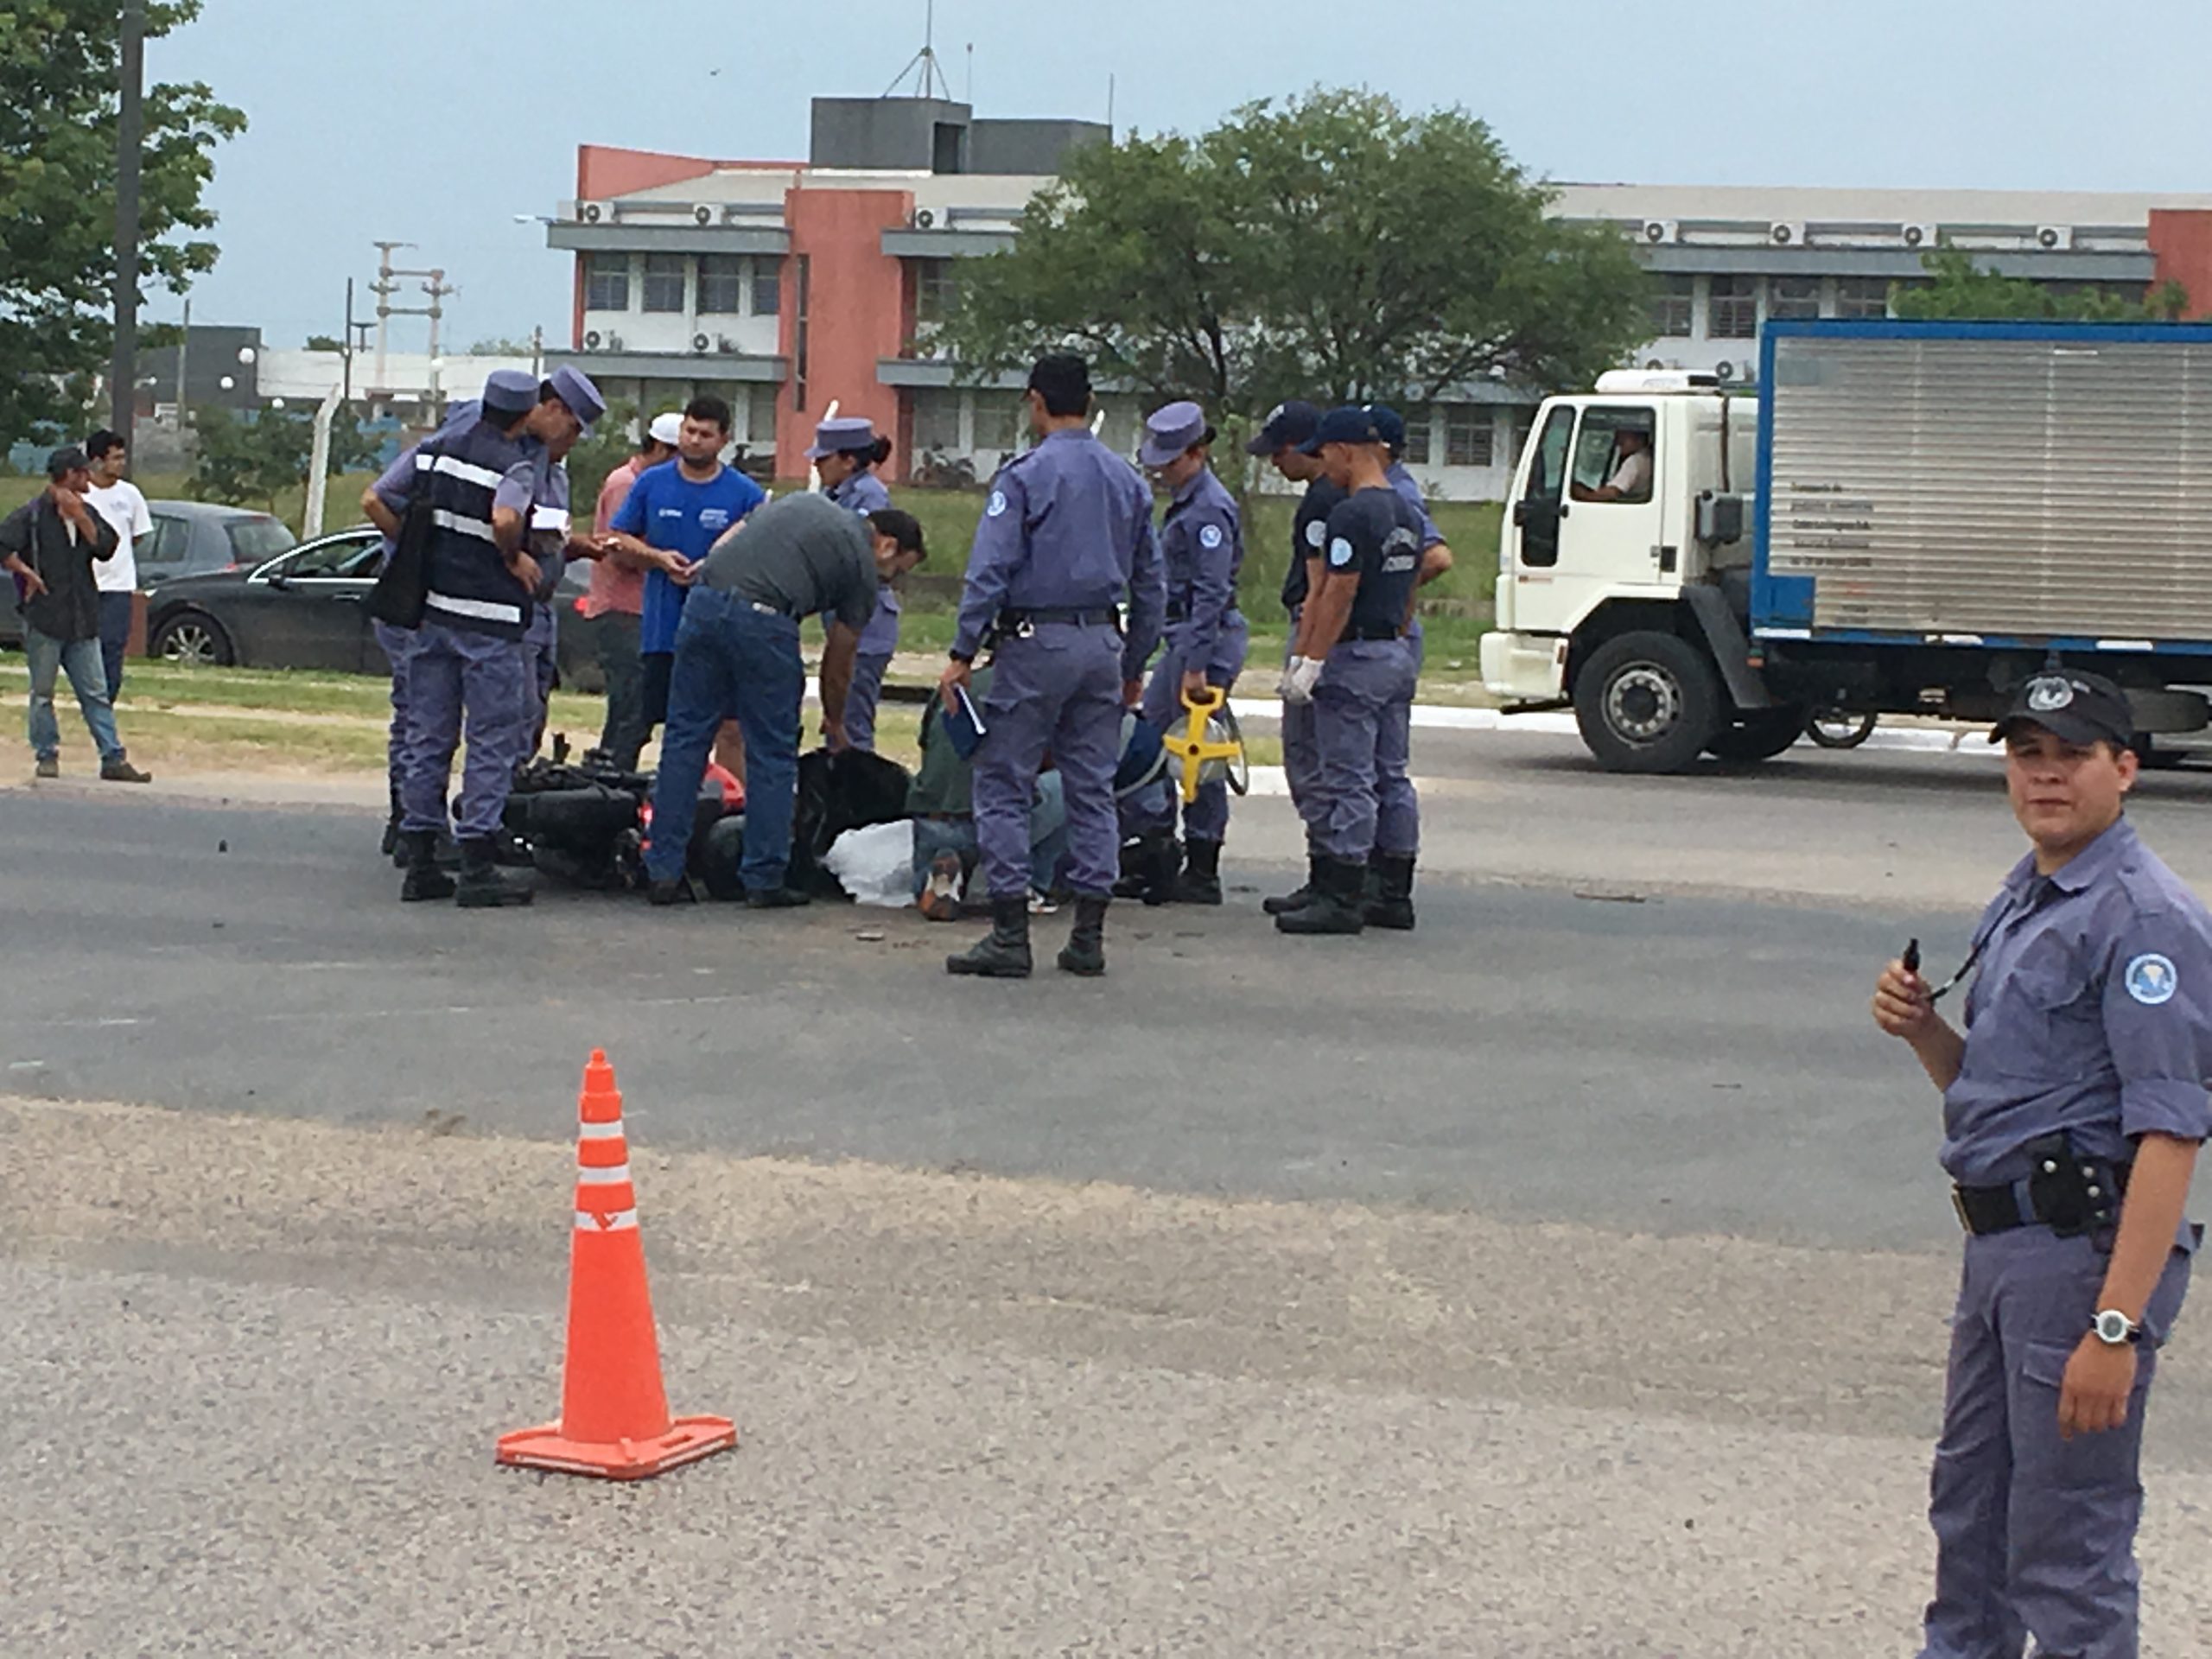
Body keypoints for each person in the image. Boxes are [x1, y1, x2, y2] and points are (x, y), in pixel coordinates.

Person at [1872, 667, 2208, 1659]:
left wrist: (2114, 1326)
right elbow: (2000, 1098)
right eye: (2027, 755)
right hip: (2004, 1248)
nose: (2045, 776)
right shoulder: (2030, 895)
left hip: (2078, 1260)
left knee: (2066, 1555)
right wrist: (1924, 1030)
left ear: (2125, 769)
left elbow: (2170, 1133)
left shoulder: (2141, 920)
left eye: (2072, 756)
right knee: (1971, 1525)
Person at [939, 352, 1165, 980]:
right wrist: (1135, 660)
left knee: (1004, 783)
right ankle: (1088, 936)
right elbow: (1152, 584)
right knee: (1092, 787)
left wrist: (962, 651)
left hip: (1036, 643)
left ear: (1035, 401)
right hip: (1103, 642)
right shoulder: (1127, 481)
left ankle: (1010, 933)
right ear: (1089, 403)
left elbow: (991, 569)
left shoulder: (1025, 477)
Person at [361, 370, 580, 907]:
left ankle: (420, 857)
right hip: (489, 617)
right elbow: (506, 517)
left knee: (428, 734)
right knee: (491, 737)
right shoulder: (514, 464)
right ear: (527, 412)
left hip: (433, 612)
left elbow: (378, 499)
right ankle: (478, 860)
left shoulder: (436, 451)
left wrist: (419, 549)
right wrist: (513, 555)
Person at [643, 494, 925, 909]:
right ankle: (764, 876)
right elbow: (840, 658)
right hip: (765, 619)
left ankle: (663, 871)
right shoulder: (862, 567)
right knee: (772, 752)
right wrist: (835, 721)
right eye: (897, 570)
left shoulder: (802, 503)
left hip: (703, 603)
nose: (890, 582)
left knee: (685, 740)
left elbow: (731, 537)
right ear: (887, 545)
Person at [1275, 407, 1424, 936]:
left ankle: (1342, 892)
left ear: (1344, 451)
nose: (1324, 464)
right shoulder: (1405, 511)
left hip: (1355, 657)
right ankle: (1394, 891)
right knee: (1392, 774)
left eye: (1326, 453)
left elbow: (1336, 593)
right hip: (1392, 652)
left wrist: (1310, 661)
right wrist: (1398, 635)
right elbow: (1410, 587)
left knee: (1347, 777)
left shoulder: (1350, 516)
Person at [1115, 401, 1245, 906]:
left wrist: (1195, 664)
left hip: (1202, 636)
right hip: (1185, 633)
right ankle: (1160, 852)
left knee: (1197, 749)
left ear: (1197, 453)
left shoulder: (1209, 509)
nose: (1163, 472)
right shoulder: (1188, 502)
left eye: (1171, 463)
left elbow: (1212, 591)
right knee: (1167, 743)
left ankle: (1201, 863)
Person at [600, 395, 766, 760]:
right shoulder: (651, 483)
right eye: (689, 431)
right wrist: (658, 558)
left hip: (721, 631)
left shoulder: (745, 493)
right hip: (663, 630)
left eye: (705, 434)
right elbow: (617, 537)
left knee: (728, 727)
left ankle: (728, 790)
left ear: (723, 440)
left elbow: (761, 553)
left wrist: (713, 566)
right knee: (662, 723)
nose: (694, 440)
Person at [1, 447, 151, 783]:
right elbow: (3, 544)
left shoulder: (87, 510)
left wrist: (80, 517)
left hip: (82, 616)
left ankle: (112, 757)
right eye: (83, 472)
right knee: (43, 693)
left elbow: (106, 547)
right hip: (45, 616)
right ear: (70, 474)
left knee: (95, 692)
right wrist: (26, 573)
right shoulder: (33, 514)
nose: (88, 478)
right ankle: (46, 754)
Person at [1249, 400, 1335, 915]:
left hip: (1310, 627)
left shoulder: (1321, 503)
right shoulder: (1343, 494)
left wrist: (1304, 656)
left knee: (1306, 756)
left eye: (1280, 452)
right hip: (1323, 629)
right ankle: (1334, 872)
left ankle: (1328, 875)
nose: (1276, 463)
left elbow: (1321, 584)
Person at [909, 661, 1069, 920]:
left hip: (931, 819)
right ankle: (1029, 884)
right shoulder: (1038, 691)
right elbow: (1053, 757)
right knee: (1071, 784)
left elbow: (927, 745)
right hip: (988, 822)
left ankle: (935, 881)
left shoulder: (952, 685)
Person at [516, 367, 607, 757]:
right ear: (553, 409)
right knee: (515, 712)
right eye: (572, 430)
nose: (572, 442)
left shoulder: (557, 476)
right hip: (515, 603)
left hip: (544, 604)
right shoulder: (515, 462)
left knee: (535, 708)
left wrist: (578, 545)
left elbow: (551, 536)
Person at [587, 411, 680, 769]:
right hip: (621, 609)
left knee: (641, 708)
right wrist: (663, 558)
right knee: (630, 707)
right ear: (659, 448)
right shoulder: (625, 484)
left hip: (645, 610)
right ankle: (610, 775)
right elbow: (618, 548)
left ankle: (616, 773)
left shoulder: (655, 485)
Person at [808, 415, 901, 752]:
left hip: (868, 626)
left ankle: (855, 781)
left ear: (848, 461)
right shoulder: (832, 493)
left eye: (824, 458)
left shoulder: (869, 496)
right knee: (836, 721)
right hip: (842, 621)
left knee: (852, 724)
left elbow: (857, 553)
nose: (816, 464)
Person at [82, 428, 152, 703]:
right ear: (98, 460)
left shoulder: (130, 495)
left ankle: (105, 702)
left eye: (123, 457)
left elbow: (137, 535)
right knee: (84, 648)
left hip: (118, 585)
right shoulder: (81, 494)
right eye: (116, 458)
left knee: (113, 645)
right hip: (85, 584)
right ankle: (87, 695)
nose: (122, 463)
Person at [1571, 426, 1653, 503]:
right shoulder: (1649, 458)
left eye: (1624, 438)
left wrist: (1584, 495)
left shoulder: (1634, 461)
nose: (1618, 441)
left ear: (1639, 439)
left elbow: (1612, 493)